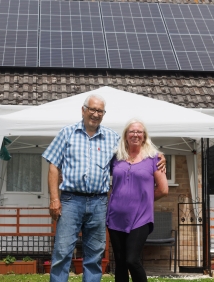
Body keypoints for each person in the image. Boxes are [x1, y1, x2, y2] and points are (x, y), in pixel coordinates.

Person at [42, 94, 165, 282]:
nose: (95, 114)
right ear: (83, 110)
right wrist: (54, 198)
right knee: (62, 251)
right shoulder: (67, 133)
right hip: (70, 201)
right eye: (92, 109)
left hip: (99, 202)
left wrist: (159, 155)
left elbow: (136, 146)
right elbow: (53, 165)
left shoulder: (112, 138)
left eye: (100, 111)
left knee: (95, 255)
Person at [106, 119, 169, 282]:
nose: (135, 134)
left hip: (140, 218)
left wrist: (144, 200)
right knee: (119, 263)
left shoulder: (154, 159)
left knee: (131, 260)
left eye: (139, 132)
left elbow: (163, 189)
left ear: (144, 136)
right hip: (115, 217)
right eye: (132, 132)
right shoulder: (116, 157)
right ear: (126, 136)